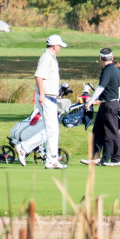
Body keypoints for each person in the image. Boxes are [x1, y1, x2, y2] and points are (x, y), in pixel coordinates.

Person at [34, 33, 66, 169]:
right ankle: (24, 147)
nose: (60, 48)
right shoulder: (46, 57)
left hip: (51, 97)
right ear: (54, 46)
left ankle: (52, 160)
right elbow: (39, 76)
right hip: (46, 96)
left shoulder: (51, 57)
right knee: (51, 129)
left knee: (53, 129)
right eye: (59, 45)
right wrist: (41, 94)